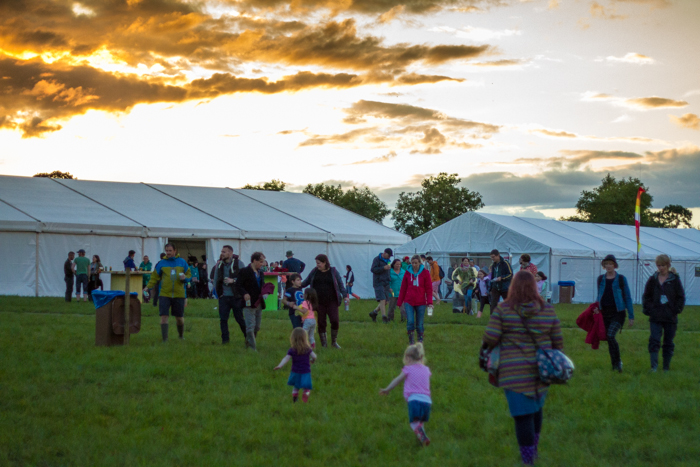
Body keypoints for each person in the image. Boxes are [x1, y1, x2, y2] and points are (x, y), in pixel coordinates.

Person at [482, 270, 564, 466]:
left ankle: (528, 460)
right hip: (542, 369)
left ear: (513, 287)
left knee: (522, 416)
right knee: (536, 408)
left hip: (513, 371)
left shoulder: (503, 309)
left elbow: (490, 337)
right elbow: (558, 342)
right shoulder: (547, 310)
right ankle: (534, 450)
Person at [379, 343, 432, 447]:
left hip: (414, 400)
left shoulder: (408, 369)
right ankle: (421, 441)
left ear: (408, 358)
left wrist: (387, 389)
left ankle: (423, 437)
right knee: (420, 423)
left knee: (414, 423)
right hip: (427, 401)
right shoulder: (426, 369)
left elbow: (397, 380)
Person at [642, 254, 685, 372]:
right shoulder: (653, 279)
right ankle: (654, 366)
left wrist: (676, 309)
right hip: (655, 316)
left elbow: (680, 297)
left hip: (670, 317)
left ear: (668, 265)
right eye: (659, 265)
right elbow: (646, 296)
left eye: (663, 265)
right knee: (654, 340)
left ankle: (666, 367)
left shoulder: (675, 280)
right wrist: (650, 308)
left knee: (668, 342)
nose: (661, 268)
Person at [593, 254, 635, 373]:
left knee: (611, 335)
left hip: (618, 313)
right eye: (606, 264)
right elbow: (599, 295)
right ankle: (614, 365)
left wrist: (631, 315)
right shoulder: (600, 279)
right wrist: (596, 307)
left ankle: (618, 363)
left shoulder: (621, 279)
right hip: (605, 313)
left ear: (615, 265)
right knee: (609, 338)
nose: (608, 266)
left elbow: (627, 297)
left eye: (611, 264)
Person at [144, 243, 191, 342]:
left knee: (179, 318)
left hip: (179, 294)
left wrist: (186, 278)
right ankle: (165, 340)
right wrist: (148, 287)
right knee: (164, 317)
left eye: (170, 251)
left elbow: (189, 275)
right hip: (164, 294)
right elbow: (154, 277)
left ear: (175, 251)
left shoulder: (182, 262)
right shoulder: (161, 263)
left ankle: (181, 336)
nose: (168, 253)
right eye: (166, 251)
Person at [301, 254, 346, 348]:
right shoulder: (314, 271)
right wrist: (297, 285)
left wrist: (345, 296)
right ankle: (324, 344)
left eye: (319, 263)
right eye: (316, 263)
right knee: (321, 322)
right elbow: (306, 281)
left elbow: (340, 284)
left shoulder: (333, 271)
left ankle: (334, 342)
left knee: (334, 320)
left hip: (332, 301)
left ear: (325, 262)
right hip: (318, 302)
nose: (317, 265)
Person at [213, 245, 247, 345]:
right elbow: (215, 279)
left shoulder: (239, 263)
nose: (222, 254)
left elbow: (245, 278)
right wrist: (218, 294)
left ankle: (248, 337)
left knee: (239, 319)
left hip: (236, 297)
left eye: (224, 252)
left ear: (230, 253)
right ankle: (225, 341)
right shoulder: (219, 265)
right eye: (221, 252)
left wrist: (233, 280)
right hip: (224, 297)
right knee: (223, 319)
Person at [274, 328, 317, 403]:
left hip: (295, 371)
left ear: (293, 338)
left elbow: (286, 358)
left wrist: (280, 365)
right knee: (306, 387)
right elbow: (314, 356)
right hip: (305, 371)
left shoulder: (292, 350)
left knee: (296, 386)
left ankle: (295, 398)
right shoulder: (307, 349)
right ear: (305, 338)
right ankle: (305, 394)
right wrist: (312, 360)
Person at [397, 255, 433, 344]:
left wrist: (430, 302)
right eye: (412, 263)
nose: (414, 265)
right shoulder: (407, 273)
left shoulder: (425, 273)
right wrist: (400, 302)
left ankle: (420, 341)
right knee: (410, 322)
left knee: (419, 324)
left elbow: (429, 289)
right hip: (409, 301)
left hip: (421, 302)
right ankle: (411, 341)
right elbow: (403, 288)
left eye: (416, 263)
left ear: (420, 263)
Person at [236, 251, 267, 350]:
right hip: (248, 303)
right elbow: (238, 285)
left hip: (259, 302)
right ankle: (253, 348)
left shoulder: (260, 273)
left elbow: (262, 285)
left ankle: (248, 342)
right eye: (261, 262)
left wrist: (265, 291)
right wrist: (244, 293)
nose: (262, 264)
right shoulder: (244, 271)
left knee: (257, 327)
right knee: (250, 326)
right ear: (254, 261)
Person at [369, 248, 393, 324]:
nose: (389, 257)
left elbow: (388, 272)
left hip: (386, 282)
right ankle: (384, 317)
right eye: (389, 255)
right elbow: (373, 269)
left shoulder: (388, 261)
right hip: (378, 282)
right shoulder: (377, 259)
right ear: (385, 253)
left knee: (386, 301)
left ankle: (374, 312)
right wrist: (383, 268)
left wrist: (389, 281)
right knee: (382, 299)